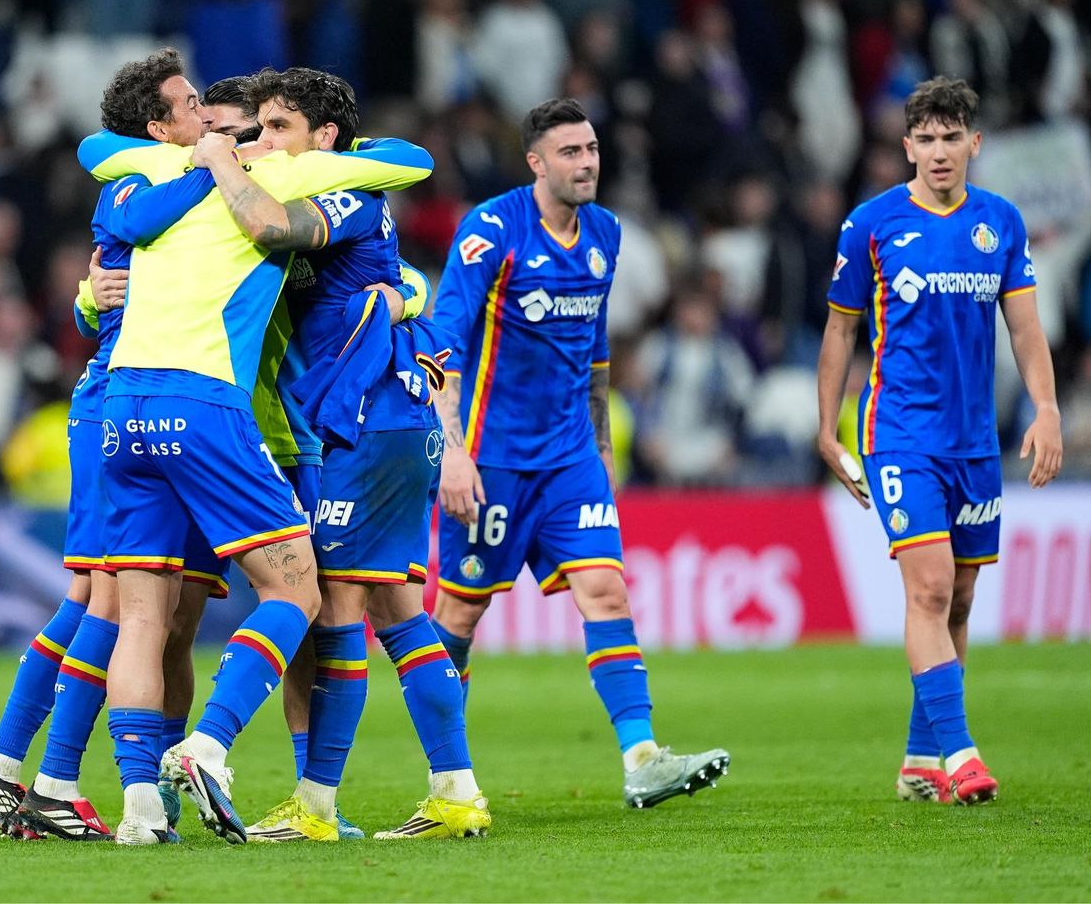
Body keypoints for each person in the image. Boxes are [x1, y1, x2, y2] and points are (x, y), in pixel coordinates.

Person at [88, 85, 433, 845]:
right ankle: (209, 744)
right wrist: (238, 159)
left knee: (141, 616)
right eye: (260, 130)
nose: (267, 140)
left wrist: (194, 155)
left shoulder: (149, 178)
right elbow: (410, 163)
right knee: (299, 588)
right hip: (205, 405)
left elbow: (96, 150)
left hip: (121, 408)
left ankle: (139, 807)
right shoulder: (280, 175)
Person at [430, 97, 729, 809]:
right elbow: (439, 348)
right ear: (535, 163)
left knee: (607, 590)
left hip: (569, 459)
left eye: (591, 149)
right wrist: (449, 452)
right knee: (459, 619)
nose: (587, 162)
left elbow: (594, 344)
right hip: (490, 460)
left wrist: (597, 445)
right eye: (570, 152)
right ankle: (446, 774)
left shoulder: (607, 233)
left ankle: (642, 757)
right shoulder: (490, 233)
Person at [216, 68, 489, 842]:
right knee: (399, 609)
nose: (261, 142)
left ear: (325, 139)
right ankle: (456, 789)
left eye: (277, 127)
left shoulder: (343, 194)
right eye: (258, 127)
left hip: (372, 423)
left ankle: (316, 804)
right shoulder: (337, 194)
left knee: (335, 608)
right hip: (389, 420)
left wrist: (222, 162)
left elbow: (278, 231)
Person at [0, 48, 213, 841]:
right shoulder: (143, 179)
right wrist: (86, 298)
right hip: (121, 404)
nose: (204, 115)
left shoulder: (157, 176)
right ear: (158, 124)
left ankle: (6, 766)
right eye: (191, 103)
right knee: (114, 599)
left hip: (118, 402)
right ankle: (56, 778)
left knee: (89, 597)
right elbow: (125, 227)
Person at [817, 76, 1061, 806]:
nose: (939, 150)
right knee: (926, 586)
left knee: (957, 597)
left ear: (974, 143)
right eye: (924, 138)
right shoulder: (872, 223)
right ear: (906, 147)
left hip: (974, 442)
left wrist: (1046, 407)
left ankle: (921, 758)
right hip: (899, 434)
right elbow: (840, 328)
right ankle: (961, 752)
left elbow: (1023, 326)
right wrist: (826, 429)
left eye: (952, 136)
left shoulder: (1001, 223)